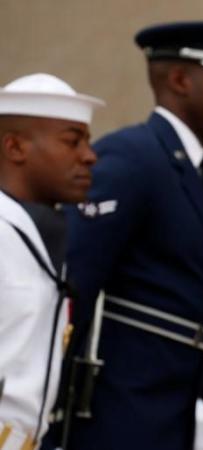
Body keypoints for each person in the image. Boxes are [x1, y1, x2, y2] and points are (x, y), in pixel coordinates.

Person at [63, 22, 203, 450]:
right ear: (179, 80)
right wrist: (57, 405)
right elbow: (77, 284)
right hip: (114, 408)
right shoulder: (132, 157)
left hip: (176, 411)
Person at [0, 73, 102, 449]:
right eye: (72, 141)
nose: (89, 155)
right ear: (15, 147)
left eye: (88, 141)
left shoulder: (40, 234)